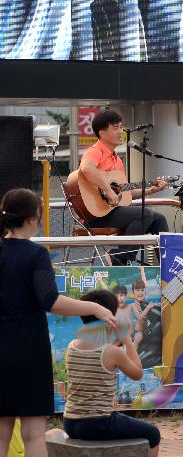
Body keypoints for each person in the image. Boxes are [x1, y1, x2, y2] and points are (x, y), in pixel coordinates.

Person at [0, 188, 118, 457]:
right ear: (33, 219)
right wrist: (93, 307)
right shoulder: (35, 255)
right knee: (32, 434)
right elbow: (50, 300)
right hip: (29, 350)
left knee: (1, 432)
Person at [62, 289, 161, 456]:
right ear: (108, 317)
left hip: (70, 422)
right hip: (99, 423)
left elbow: (97, 361)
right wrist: (126, 340)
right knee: (153, 434)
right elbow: (137, 373)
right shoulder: (110, 352)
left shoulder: (71, 347)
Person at [80, 110, 169, 264]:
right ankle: (119, 259)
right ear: (102, 133)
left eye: (121, 127)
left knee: (159, 219)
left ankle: (167, 264)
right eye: (115, 128)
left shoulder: (117, 160)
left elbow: (123, 191)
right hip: (95, 215)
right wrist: (108, 191)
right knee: (145, 214)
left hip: (111, 211)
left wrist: (151, 190)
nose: (121, 131)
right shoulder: (95, 151)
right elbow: (87, 169)